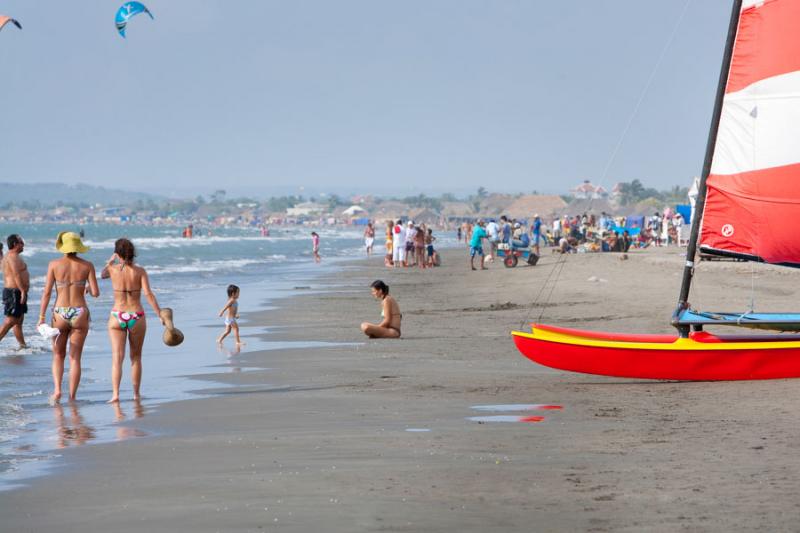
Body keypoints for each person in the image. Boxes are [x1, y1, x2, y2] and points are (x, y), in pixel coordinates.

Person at [37, 232, 99, 404]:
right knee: (75, 358)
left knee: (58, 355)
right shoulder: (87, 265)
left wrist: (41, 317)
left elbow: (47, 292)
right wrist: (85, 288)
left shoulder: (54, 265)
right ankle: (72, 397)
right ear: (78, 247)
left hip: (60, 313)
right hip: (80, 312)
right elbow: (95, 293)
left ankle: (57, 390)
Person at [102, 238, 164, 403]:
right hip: (136, 315)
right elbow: (148, 294)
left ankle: (115, 394)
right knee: (135, 357)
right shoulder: (140, 271)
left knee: (117, 357)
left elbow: (102, 275)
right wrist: (159, 313)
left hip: (117, 315)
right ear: (133, 252)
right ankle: (136, 394)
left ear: (118, 253)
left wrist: (111, 260)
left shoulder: (112, 269)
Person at [0, 234, 29, 349]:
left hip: (16, 291)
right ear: (15, 244)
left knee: (18, 320)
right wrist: (22, 291)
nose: (23, 245)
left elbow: (2, 265)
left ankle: (22, 346)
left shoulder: (11, 256)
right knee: (11, 320)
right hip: (14, 292)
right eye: (21, 242)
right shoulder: (12, 257)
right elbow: (16, 275)